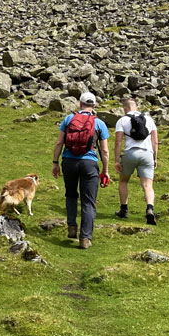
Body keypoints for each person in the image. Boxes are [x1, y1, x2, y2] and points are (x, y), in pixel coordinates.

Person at [52, 92, 110, 249]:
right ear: (94, 105)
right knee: (88, 202)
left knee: (70, 194)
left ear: (80, 104)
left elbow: (59, 143)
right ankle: (85, 238)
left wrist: (55, 162)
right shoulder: (99, 123)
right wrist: (105, 170)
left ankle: (72, 227)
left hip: (69, 162)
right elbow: (104, 151)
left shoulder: (68, 119)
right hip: (89, 163)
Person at [114, 97, 159, 224]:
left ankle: (124, 210)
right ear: (137, 106)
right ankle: (149, 209)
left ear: (125, 108)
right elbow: (155, 141)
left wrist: (116, 160)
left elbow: (118, 142)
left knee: (123, 181)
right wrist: (154, 158)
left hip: (130, 153)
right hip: (147, 154)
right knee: (147, 185)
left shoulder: (122, 120)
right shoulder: (149, 119)